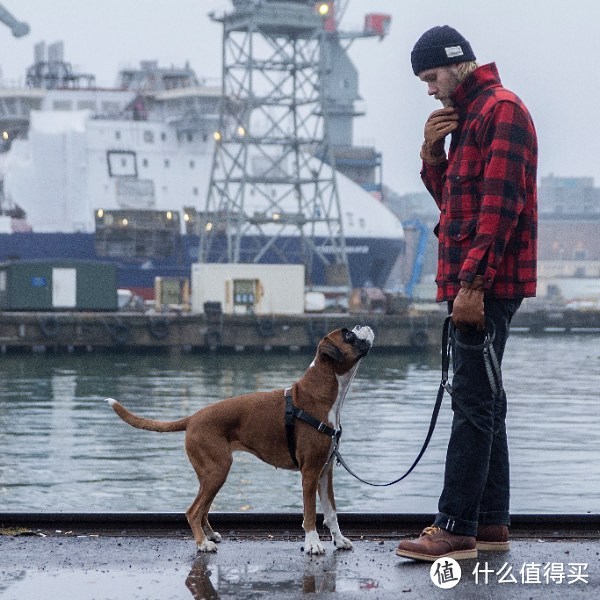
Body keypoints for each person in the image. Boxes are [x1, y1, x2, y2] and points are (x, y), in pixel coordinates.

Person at [396, 25, 538, 561]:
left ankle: (455, 526)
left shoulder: (501, 111)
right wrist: (433, 156)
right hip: (477, 281)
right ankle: (491, 523)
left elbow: (500, 209)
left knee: (473, 403)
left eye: (431, 77)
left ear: (456, 64)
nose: (429, 90)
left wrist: (473, 285)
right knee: (487, 402)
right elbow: (456, 206)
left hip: (486, 284)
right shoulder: (470, 118)